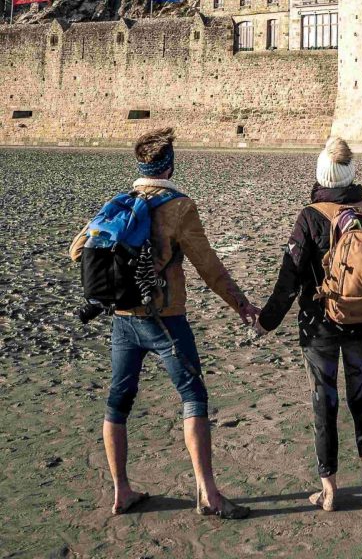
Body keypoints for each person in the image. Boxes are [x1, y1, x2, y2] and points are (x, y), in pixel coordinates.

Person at [69, 127, 259, 519]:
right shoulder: (179, 207)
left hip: (123, 319)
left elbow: (76, 250)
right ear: (169, 166)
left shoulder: (118, 203)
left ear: (140, 165)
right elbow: (208, 265)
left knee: (118, 401)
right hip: (166, 320)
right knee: (194, 397)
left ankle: (122, 491)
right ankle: (208, 494)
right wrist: (240, 304)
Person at [256, 136, 362, 512]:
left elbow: (289, 280)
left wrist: (266, 321)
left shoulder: (310, 217)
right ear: (351, 174)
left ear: (321, 174)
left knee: (324, 402)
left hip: (319, 326)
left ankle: (329, 491)